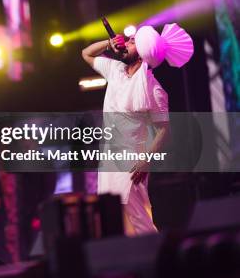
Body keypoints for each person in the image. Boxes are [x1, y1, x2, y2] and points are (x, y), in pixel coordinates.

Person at [81, 23, 194, 234]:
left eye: (132, 43)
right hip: (109, 159)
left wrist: (146, 160)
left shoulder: (154, 89)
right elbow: (86, 53)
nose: (126, 43)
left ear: (142, 55)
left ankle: (162, 259)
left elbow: (164, 130)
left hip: (132, 163)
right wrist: (108, 43)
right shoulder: (115, 70)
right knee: (111, 218)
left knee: (138, 219)